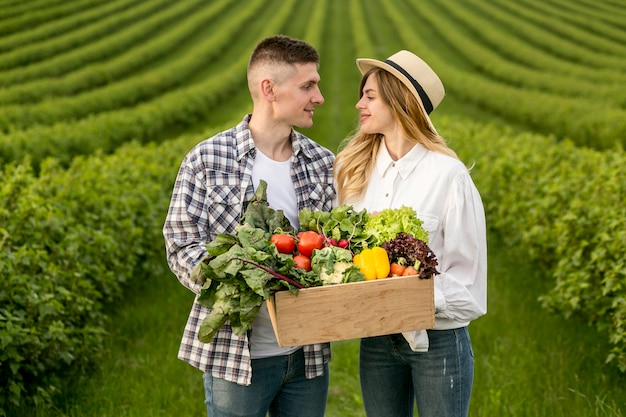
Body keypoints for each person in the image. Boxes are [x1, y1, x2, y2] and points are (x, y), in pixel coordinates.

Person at [162, 35, 336, 417]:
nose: (319, 96)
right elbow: (181, 243)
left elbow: (336, 247)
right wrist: (242, 277)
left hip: (306, 356)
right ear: (269, 89)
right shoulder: (207, 159)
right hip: (236, 356)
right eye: (308, 86)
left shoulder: (323, 163)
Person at [334, 50, 487, 417]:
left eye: (369, 96)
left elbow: (470, 288)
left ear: (400, 100)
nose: (359, 105)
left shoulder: (448, 176)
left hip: (438, 341)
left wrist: (407, 294)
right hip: (376, 338)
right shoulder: (353, 171)